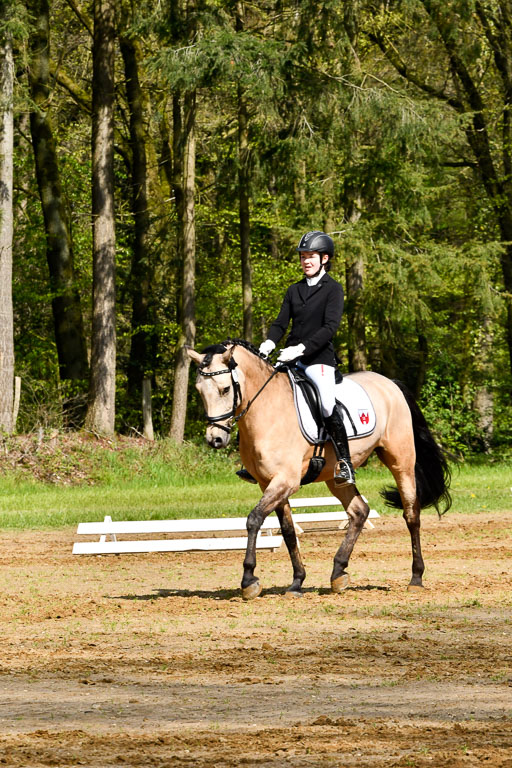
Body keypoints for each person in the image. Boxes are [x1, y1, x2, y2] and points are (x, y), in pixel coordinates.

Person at [238, 230, 355, 486]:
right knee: (262, 394)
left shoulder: (333, 289)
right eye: (303, 257)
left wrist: (302, 348)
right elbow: (281, 322)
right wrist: (270, 341)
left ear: (324, 258)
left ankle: (344, 462)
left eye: (310, 256)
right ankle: (255, 462)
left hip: (319, 359)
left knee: (325, 403)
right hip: (290, 358)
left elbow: (329, 327)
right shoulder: (294, 290)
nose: (305, 261)